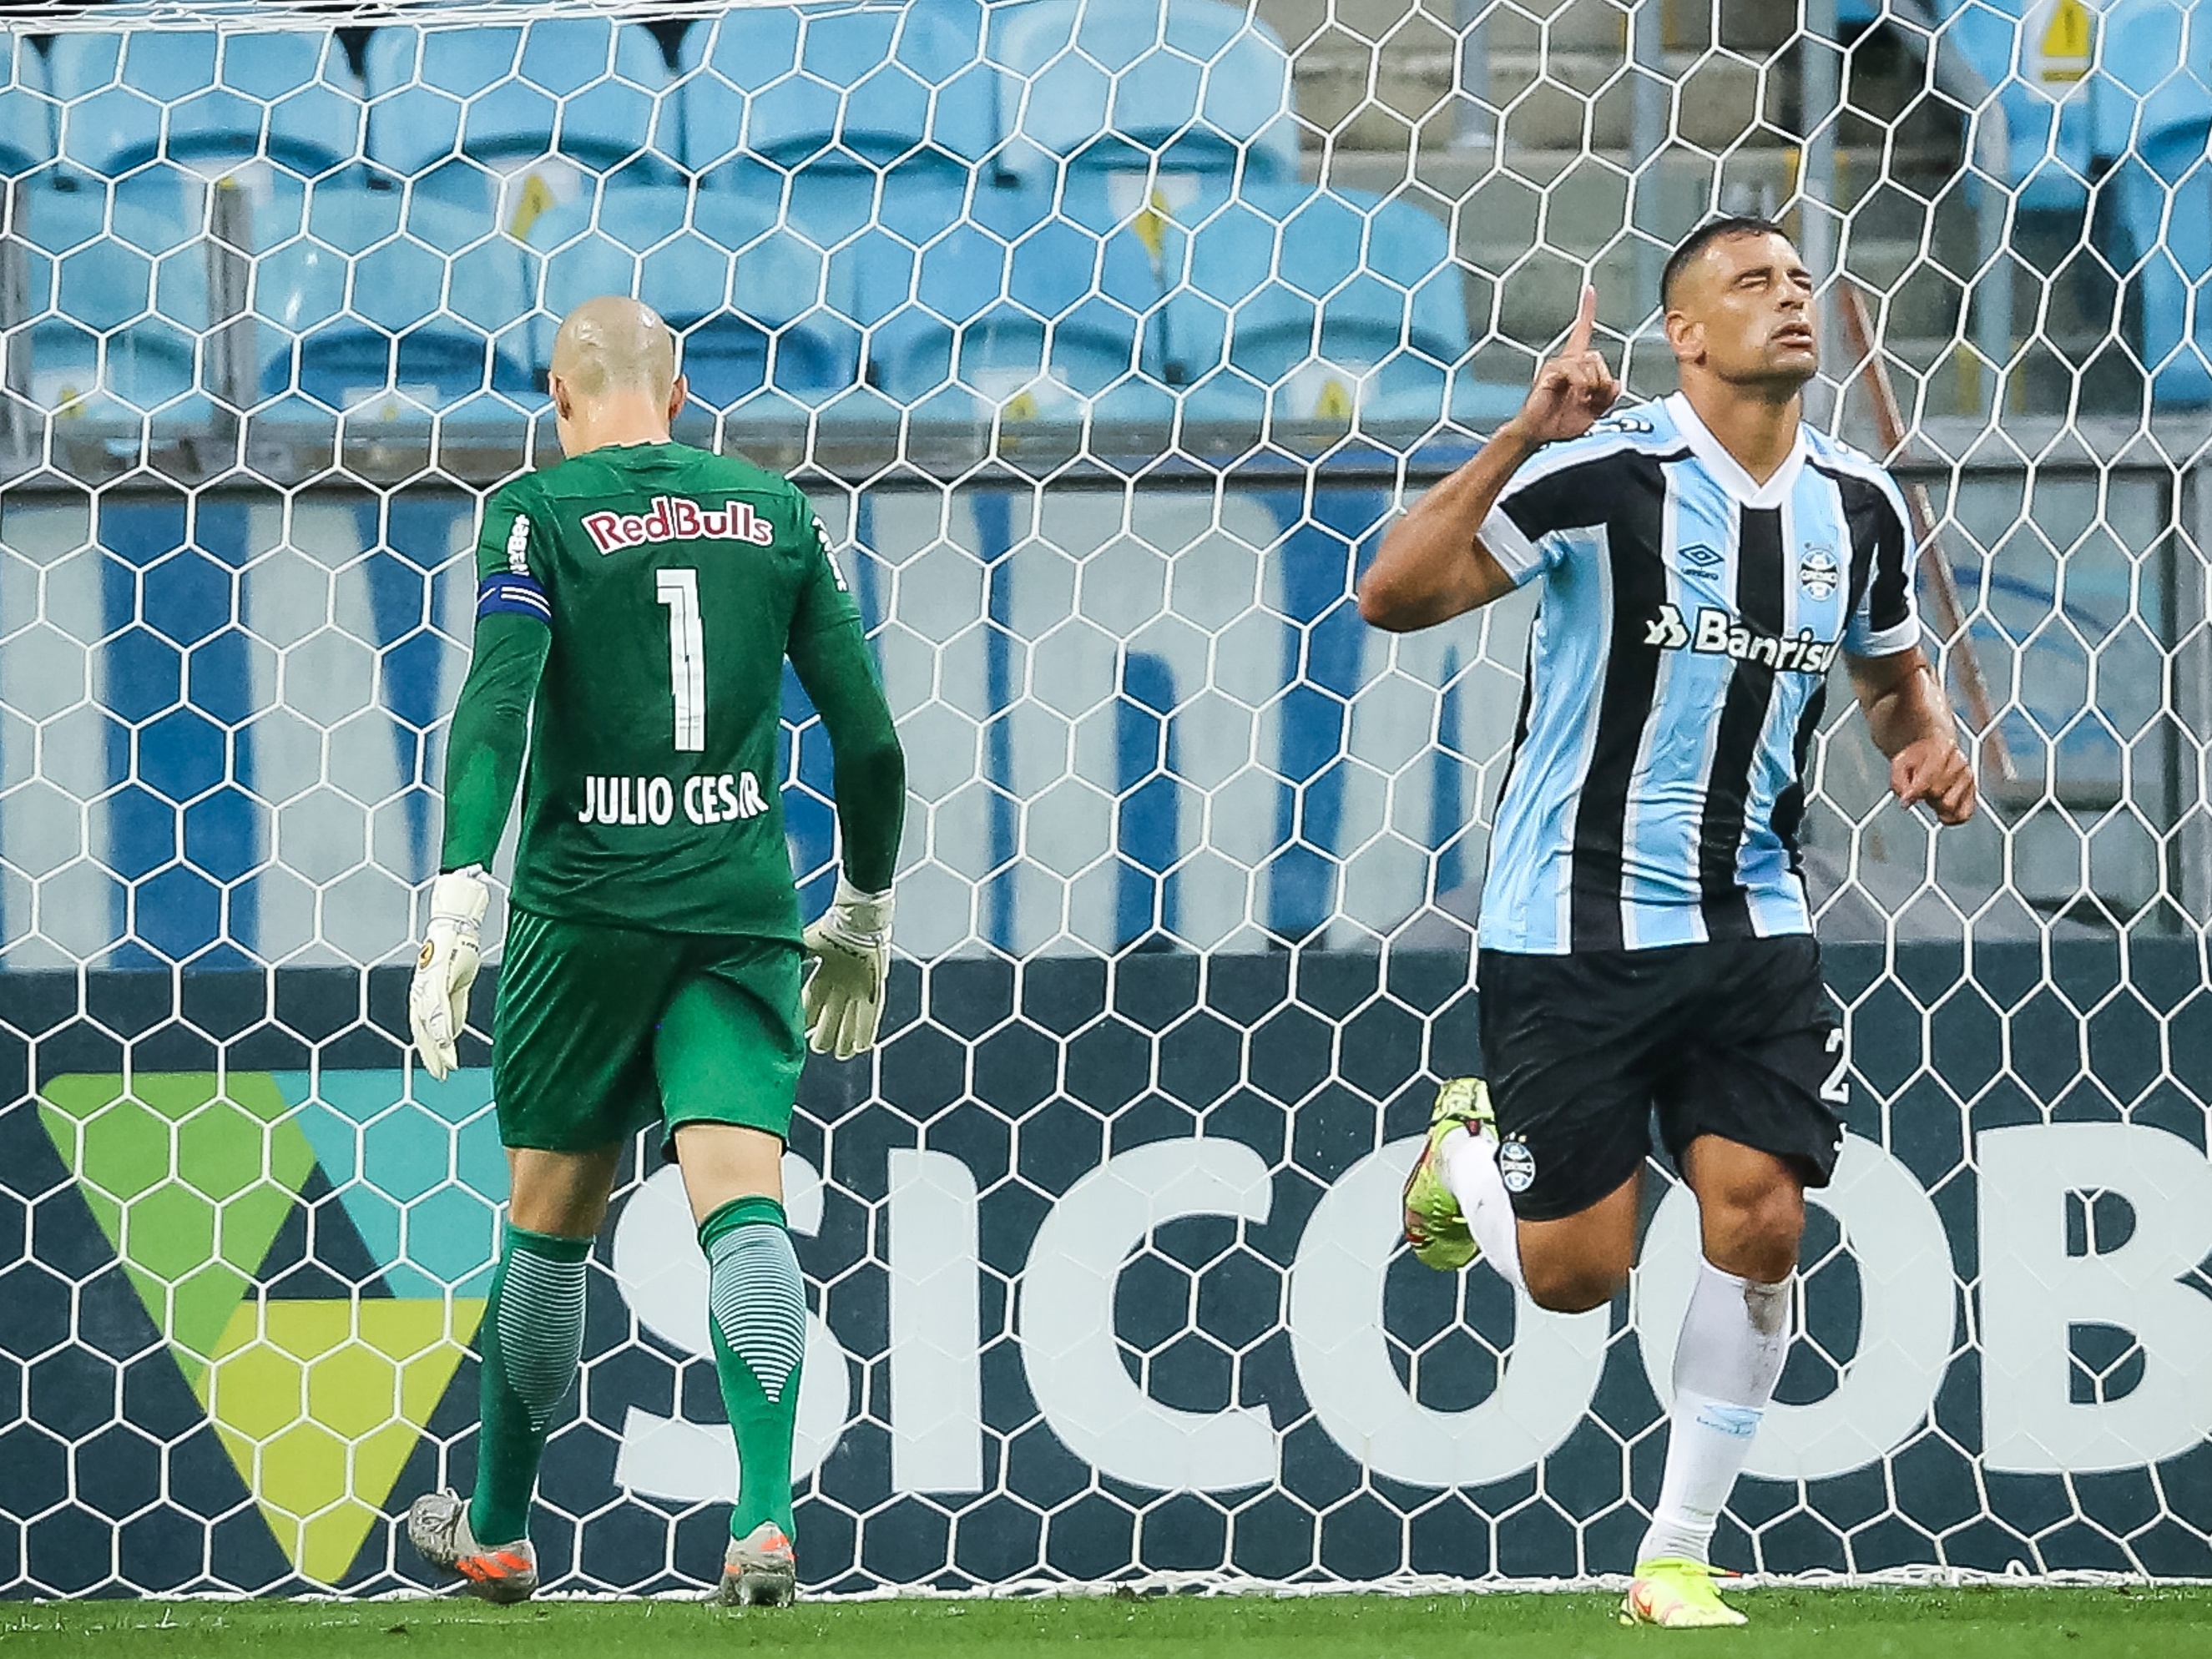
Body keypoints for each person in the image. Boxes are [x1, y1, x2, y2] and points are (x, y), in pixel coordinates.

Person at [1358, 218, 1975, 1628]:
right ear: (1684, 335)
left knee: (1760, 1223)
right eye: (1752, 285)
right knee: (1580, 1278)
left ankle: (1674, 1556)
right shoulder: (1599, 476)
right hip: (1564, 922)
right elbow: (1391, 597)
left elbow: (1891, 677)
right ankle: (1462, 1158)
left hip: (1751, 920)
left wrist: (1923, 740)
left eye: (1801, 282)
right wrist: (1518, 435)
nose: (1790, 301)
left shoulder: (1857, 503)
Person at [401, 296, 905, 1609]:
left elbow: (495, 703)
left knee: (548, 1223)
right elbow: (872, 743)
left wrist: (461, 892)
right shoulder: (775, 511)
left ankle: (501, 1531)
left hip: (583, 915)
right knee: (741, 1204)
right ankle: (762, 1521)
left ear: (555, 399)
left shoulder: (534, 512)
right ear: (679, 395)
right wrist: (862, 907)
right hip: (739, 903)